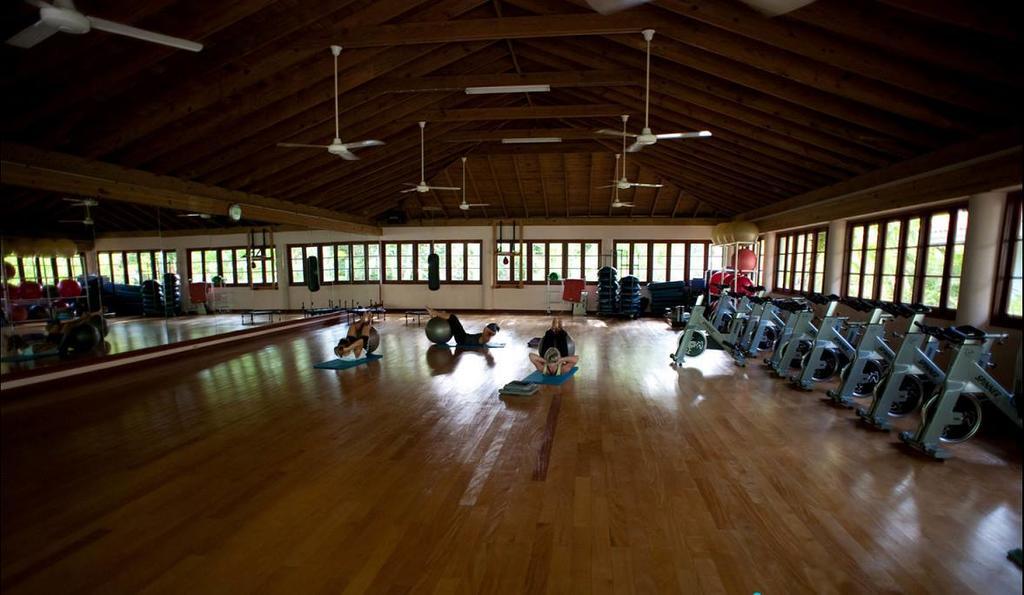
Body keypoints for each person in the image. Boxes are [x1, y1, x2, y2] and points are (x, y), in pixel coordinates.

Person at [425, 306, 499, 346]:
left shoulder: (485, 339)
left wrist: (494, 329)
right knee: (452, 320)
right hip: (463, 337)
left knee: (453, 318)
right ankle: (439, 315)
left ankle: (434, 312)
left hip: (462, 339)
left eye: (488, 329)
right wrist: (495, 327)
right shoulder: (486, 337)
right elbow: (487, 329)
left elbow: (486, 329)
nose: (486, 328)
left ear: (490, 332)